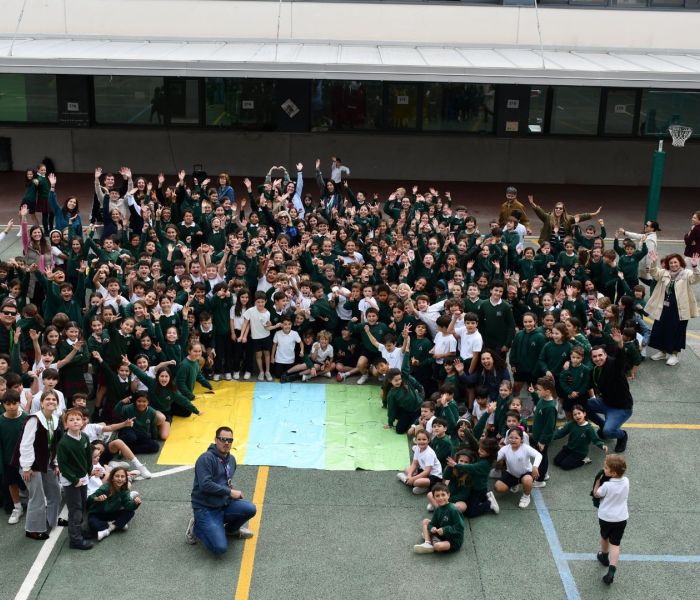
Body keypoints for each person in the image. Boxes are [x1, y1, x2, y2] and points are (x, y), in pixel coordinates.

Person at [185, 427, 257, 555]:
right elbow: (205, 485)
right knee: (220, 548)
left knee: (250, 509)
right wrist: (230, 492)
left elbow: (225, 480)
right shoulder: (206, 459)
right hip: (206, 508)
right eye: (223, 439)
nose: (226, 443)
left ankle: (231, 530)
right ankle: (196, 527)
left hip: (224, 504)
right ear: (216, 440)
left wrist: (230, 491)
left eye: (230, 440)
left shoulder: (231, 460)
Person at [12, 390, 62, 540]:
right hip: (32, 465)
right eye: (48, 399)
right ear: (41, 403)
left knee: (55, 491)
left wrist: (55, 463)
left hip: (46, 462)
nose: (51, 401)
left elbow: (53, 444)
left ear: (57, 403)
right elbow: (25, 444)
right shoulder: (34, 419)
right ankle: (32, 529)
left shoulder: (54, 419)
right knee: (37, 497)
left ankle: (51, 520)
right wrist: (26, 467)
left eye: (54, 399)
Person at [645, 250, 700, 366]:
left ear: (680, 262)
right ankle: (663, 352)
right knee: (661, 328)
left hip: (680, 309)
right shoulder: (664, 273)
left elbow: (696, 279)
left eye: (675, 262)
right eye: (671, 263)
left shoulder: (687, 273)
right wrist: (654, 262)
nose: (673, 265)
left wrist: (695, 267)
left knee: (677, 331)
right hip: (664, 307)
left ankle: (675, 355)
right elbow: (654, 273)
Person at [588, 329, 632, 453]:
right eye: (594, 356)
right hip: (605, 402)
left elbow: (621, 360)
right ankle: (602, 425)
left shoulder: (614, 365)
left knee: (608, 432)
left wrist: (620, 344)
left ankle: (622, 436)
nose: (597, 358)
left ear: (606, 355)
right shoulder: (595, 369)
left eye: (600, 355)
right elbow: (588, 385)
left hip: (621, 408)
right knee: (583, 405)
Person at [56, 407, 94, 550]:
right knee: (75, 509)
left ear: (83, 422)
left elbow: (88, 456)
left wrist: (89, 470)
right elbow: (63, 466)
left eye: (78, 419)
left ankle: (79, 530)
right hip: (71, 481)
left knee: (83, 505)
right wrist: (74, 480)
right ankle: (75, 540)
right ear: (66, 424)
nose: (75, 422)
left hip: (83, 477)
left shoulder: (84, 437)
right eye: (71, 420)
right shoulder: (64, 443)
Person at [593, 454, 629, 586]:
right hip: (621, 518)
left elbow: (597, 494)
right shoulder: (626, 481)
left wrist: (597, 482)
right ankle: (612, 570)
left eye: (606, 468)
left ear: (613, 473)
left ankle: (604, 556)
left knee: (604, 537)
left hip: (606, 518)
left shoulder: (607, 486)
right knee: (615, 544)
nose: (604, 469)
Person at [493, 427, 542, 509]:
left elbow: (538, 455)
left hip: (526, 473)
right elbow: (496, 458)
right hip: (512, 474)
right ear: (507, 438)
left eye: (516, 438)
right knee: (498, 487)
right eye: (511, 438)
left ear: (521, 439)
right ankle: (515, 483)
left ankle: (526, 496)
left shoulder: (525, 448)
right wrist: (492, 451)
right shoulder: (504, 449)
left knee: (527, 480)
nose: (513, 440)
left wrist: (535, 467)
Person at [87, 466, 142, 541]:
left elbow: (128, 506)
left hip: (112, 513)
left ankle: (109, 529)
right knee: (92, 523)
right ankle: (117, 524)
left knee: (130, 512)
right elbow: (90, 499)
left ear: (125, 479)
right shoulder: (105, 488)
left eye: (122, 476)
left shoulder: (124, 490)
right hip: (98, 513)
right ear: (112, 478)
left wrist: (135, 504)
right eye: (117, 476)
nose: (120, 479)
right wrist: (97, 498)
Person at [413, 482, 464, 554]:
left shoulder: (454, 510)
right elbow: (432, 524)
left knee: (437, 546)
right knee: (425, 521)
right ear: (434, 498)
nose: (440, 498)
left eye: (443, 495)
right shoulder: (438, 509)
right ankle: (428, 543)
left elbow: (459, 528)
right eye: (437, 496)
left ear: (448, 495)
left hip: (453, 540)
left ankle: (432, 541)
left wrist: (445, 530)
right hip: (441, 536)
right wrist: (432, 528)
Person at [552, 405, 607, 470]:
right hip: (569, 448)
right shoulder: (571, 424)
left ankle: (584, 461)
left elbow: (595, 440)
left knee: (564, 466)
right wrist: (549, 437)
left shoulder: (589, 428)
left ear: (584, 414)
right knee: (556, 461)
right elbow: (561, 433)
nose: (577, 416)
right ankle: (570, 457)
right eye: (575, 414)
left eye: (579, 413)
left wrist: (602, 445)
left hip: (579, 452)